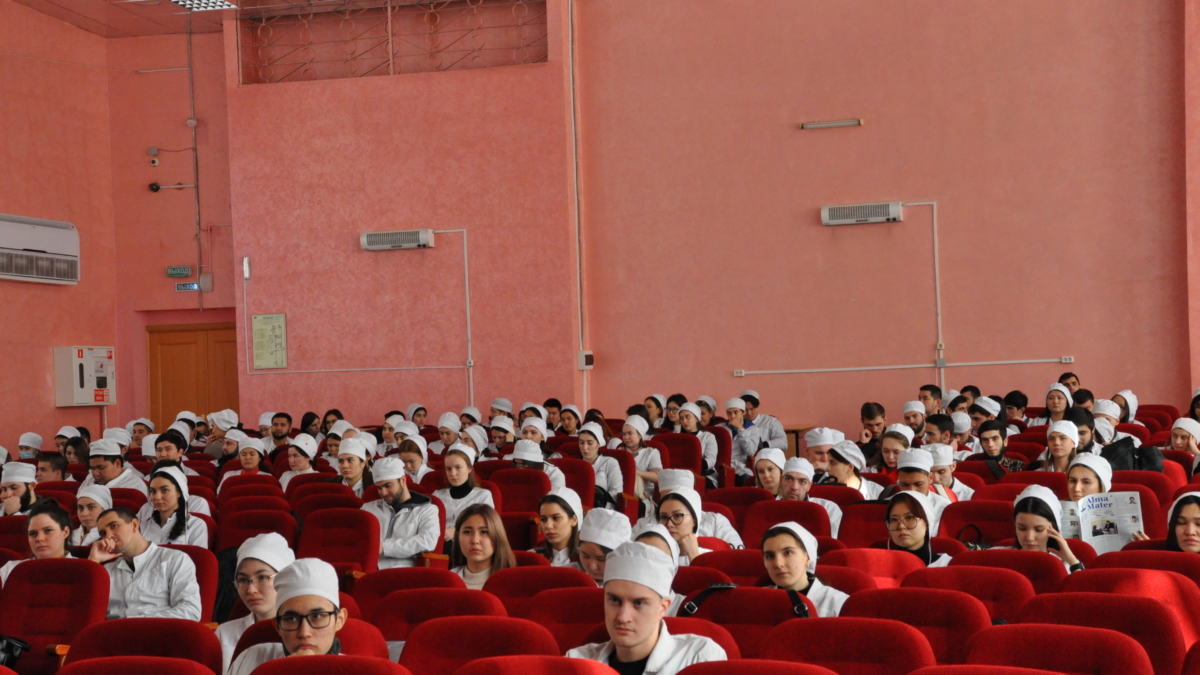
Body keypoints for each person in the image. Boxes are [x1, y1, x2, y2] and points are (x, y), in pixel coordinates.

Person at [566, 541, 727, 675]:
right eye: (614, 600)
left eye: (639, 603)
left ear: (663, 608)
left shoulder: (699, 658)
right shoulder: (577, 662)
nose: (623, 617)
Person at [227, 559, 349, 675]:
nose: (304, 633)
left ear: (339, 620)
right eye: (292, 619)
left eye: (317, 616)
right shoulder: (250, 659)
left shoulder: (354, 670)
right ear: (277, 626)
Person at [88, 507, 202, 619]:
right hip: (113, 630)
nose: (108, 536)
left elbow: (190, 610)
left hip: (159, 629)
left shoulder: (175, 559)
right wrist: (93, 560)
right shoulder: (106, 571)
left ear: (134, 525)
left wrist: (136, 625)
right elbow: (84, 612)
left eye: (114, 526)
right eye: (103, 533)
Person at [217, 533, 295, 674]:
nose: (251, 590)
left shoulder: (304, 634)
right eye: (243, 580)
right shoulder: (225, 634)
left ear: (284, 578)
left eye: (262, 577)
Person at [362, 457, 439, 569]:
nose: (383, 492)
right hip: (368, 570)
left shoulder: (427, 510)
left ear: (403, 480)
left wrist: (384, 548)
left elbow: (427, 541)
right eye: (379, 488)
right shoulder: (367, 509)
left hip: (405, 571)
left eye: (388, 485)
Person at [760, 521, 848, 617]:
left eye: (788, 553)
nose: (778, 564)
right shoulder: (760, 599)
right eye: (770, 556)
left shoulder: (838, 603)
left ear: (808, 557)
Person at [652, 470, 742, 548]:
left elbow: (734, 555)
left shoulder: (716, 521)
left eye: (677, 515)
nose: (671, 502)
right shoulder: (647, 523)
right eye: (666, 498)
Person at [1009, 485, 1083, 573]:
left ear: (1053, 528)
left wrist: (1072, 561)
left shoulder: (1065, 566)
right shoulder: (1000, 556)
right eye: (1022, 528)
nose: (1029, 538)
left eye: (1039, 529)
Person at [0, 500, 74, 587]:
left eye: (48, 530)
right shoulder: (11, 569)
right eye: (33, 533)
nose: (39, 538)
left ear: (65, 532)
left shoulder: (81, 569)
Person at [432, 444, 495, 542]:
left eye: (458, 467)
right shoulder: (437, 495)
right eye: (448, 469)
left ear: (469, 468)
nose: (453, 473)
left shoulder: (482, 495)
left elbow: (485, 525)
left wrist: (456, 530)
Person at [449, 504, 515, 590]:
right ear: (458, 537)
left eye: (484, 532)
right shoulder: (448, 580)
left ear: (497, 536)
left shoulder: (512, 581)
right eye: (468, 532)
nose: (475, 540)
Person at [139, 466, 207, 547]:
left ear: (179, 492)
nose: (157, 497)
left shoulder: (195, 525)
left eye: (164, 490)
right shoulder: (142, 526)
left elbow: (197, 555)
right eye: (153, 491)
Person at [779, 457, 843, 537]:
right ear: (781, 480)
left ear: (809, 486)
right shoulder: (768, 510)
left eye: (802, 481)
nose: (794, 487)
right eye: (789, 479)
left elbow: (831, 542)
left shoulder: (828, 509)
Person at [885, 492, 951, 567]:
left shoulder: (946, 565)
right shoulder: (880, 563)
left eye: (910, 517)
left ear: (927, 522)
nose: (901, 526)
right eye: (894, 519)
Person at [578, 508, 634, 586]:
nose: (592, 567)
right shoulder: (570, 576)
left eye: (601, 559)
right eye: (586, 557)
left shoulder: (629, 588)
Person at [656, 488, 708, 566]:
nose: (669, 524)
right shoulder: (652, 556)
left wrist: (694, 556)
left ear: (694, 520)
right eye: (663, 517)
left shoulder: (711, 558)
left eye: (677, 516)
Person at [532, 488, 582, 566]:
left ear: (574, 520)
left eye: (556, 518)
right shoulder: (533, 557)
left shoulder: (586, 562)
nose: (548, 526)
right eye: (543, 519)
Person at [579, 422, 623, 508]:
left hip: (603, 508)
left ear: (598, 444)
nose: (584, 447)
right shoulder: (575, 464)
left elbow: (616, 492)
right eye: (581, 442)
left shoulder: (610, 463)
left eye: (590, 443)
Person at [81, 439, 147, 495]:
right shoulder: (88, 482)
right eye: (92, 469)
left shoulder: (135, 486)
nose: (96, 473)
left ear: (117, 463)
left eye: (101, 468)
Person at [677, 403, 717, 486]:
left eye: (687, 417)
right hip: (681, 475)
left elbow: (710, 462)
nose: (684, 421)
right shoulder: (678, 438)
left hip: (703, 475)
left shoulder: (708, 437)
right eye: (681, 418)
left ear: (696, 418)